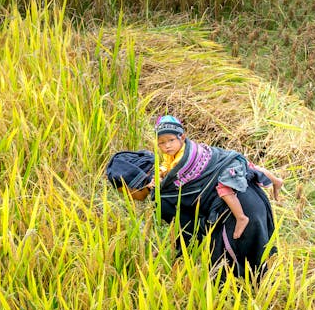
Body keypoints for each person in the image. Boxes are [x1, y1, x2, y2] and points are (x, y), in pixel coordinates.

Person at [106, 117, 279, 279]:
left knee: (231, 282)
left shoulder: (163, 194)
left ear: (133, 185)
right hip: (250, 193)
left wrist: (170, 256)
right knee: (260, 269)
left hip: (235, 214)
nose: (130, 199)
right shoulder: (169, 171)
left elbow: (189, 231)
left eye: (126, 192)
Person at [155, 115, 283, 239]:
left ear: (182, 137)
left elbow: (177, 172)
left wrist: (163, 182)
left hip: (223, 166)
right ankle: (276, 181)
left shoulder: (185, 156)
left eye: (171, 140)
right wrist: (160, 173)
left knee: (224, 189)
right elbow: (167, 165)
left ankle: (241, 217)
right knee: (252, 167)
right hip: (222, 159)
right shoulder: (171, 153)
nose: (167, 146)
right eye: (161, 143)